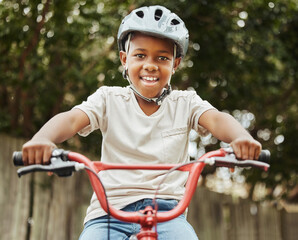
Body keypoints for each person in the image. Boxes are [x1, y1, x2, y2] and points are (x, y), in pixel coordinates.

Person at [22, 5, 262, 240]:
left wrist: (241, 139)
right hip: (108, 214)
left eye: (162, 57)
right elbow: (72, 119)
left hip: (167, 215)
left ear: (175, 64)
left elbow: (218, 120)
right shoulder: (108, 99)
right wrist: (43, 139)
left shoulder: (186, 103)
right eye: (140, 55)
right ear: (124, 59)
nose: (150, 64)